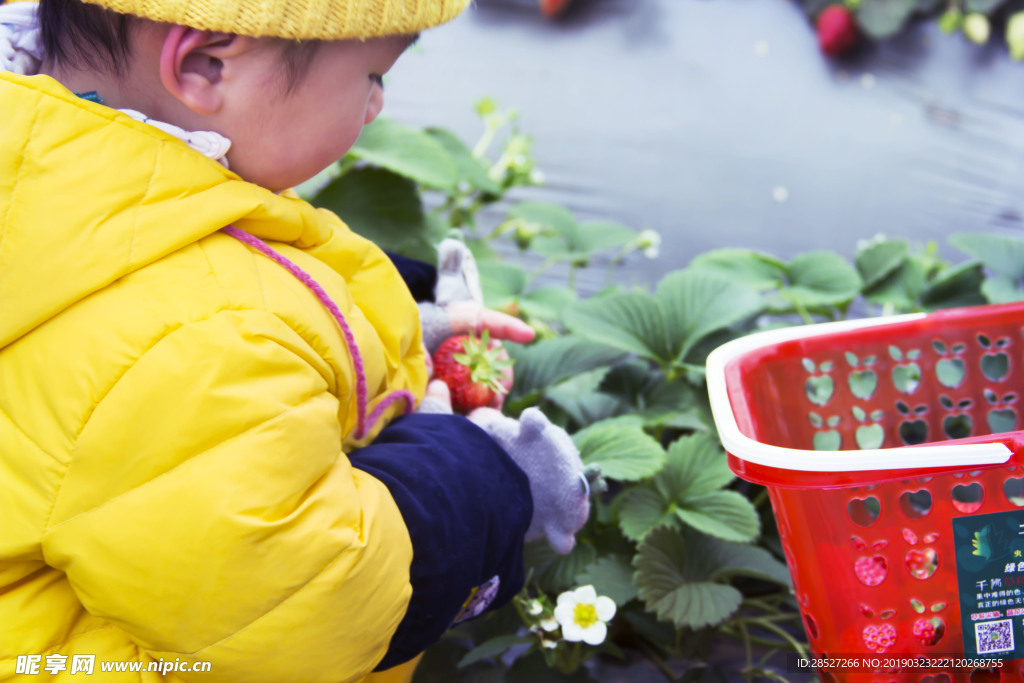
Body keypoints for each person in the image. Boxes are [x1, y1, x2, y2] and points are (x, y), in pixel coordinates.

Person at [0, 1, 590, 681]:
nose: (373, 107)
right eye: (372, 74)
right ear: (205, 63)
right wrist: (475, 476)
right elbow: (314, 610)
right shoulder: (195, 345)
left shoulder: (57, 163)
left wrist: (390, 311)